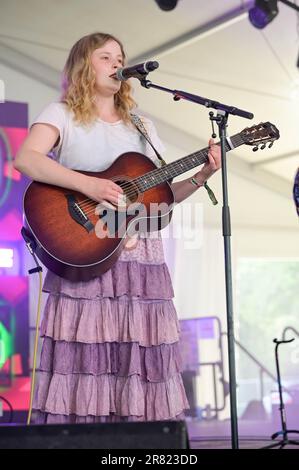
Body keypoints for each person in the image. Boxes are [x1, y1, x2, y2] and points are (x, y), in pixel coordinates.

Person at [14, 32, 221, 423]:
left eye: (120, 57)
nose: (116, 63)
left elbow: (161, 197)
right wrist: (89, 185)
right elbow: (27, 158)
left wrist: (203, 174)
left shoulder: (141, 126)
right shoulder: (61, 113)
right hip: (85, 244)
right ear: (83, 65)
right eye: (105, 56)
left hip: (139, 258)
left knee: (139, 362)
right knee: (84, 359)